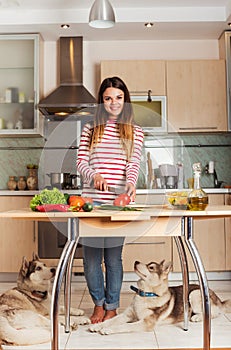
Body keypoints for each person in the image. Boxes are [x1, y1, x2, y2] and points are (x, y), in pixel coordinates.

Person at [77, 76, 144, 324]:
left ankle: (112, 306)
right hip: (92, 204)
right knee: (92, 260)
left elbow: (133, 163)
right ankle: (98, 305)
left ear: (125, 100)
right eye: (108, 98)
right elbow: (81, 162)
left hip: (118, 203)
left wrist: (131, 183)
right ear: (101, 101)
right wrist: (94, 175)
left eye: (118, 97)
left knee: (113, 259)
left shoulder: (134, 131)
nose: (113, 103)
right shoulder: (90, 129)